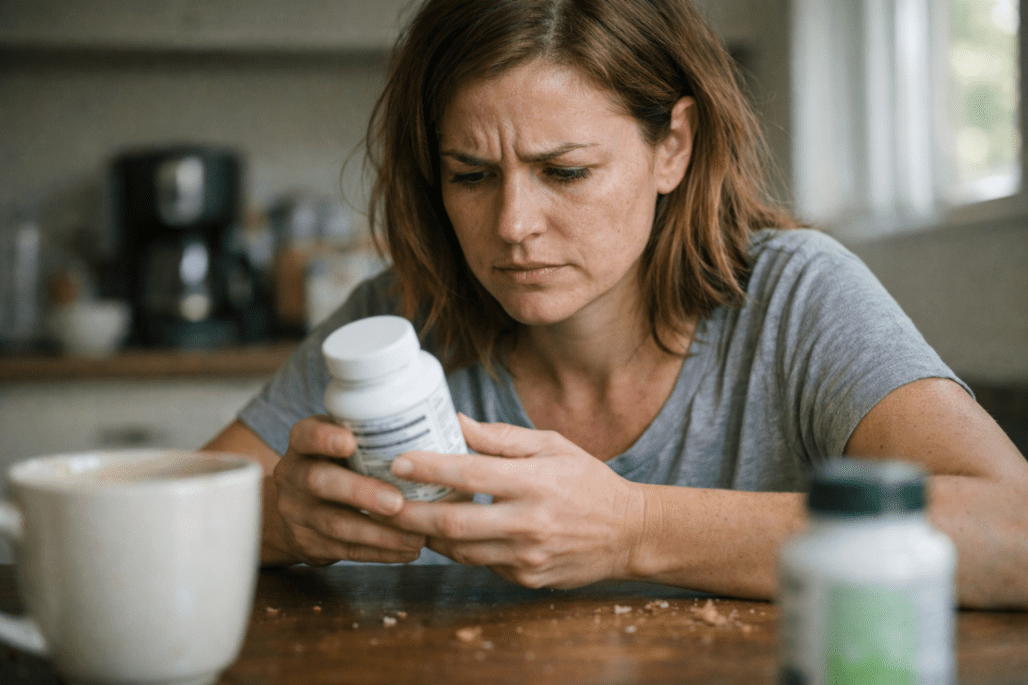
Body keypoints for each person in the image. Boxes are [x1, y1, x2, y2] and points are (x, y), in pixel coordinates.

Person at [205, 0, 1028, 608]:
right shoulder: (400, 320)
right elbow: (172, 508)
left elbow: (1016, 532)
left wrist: (633, 526)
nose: (514, 226)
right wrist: (285, 521)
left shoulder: (794, 297)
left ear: (672, 146)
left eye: (565, 172)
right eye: (471, 174)